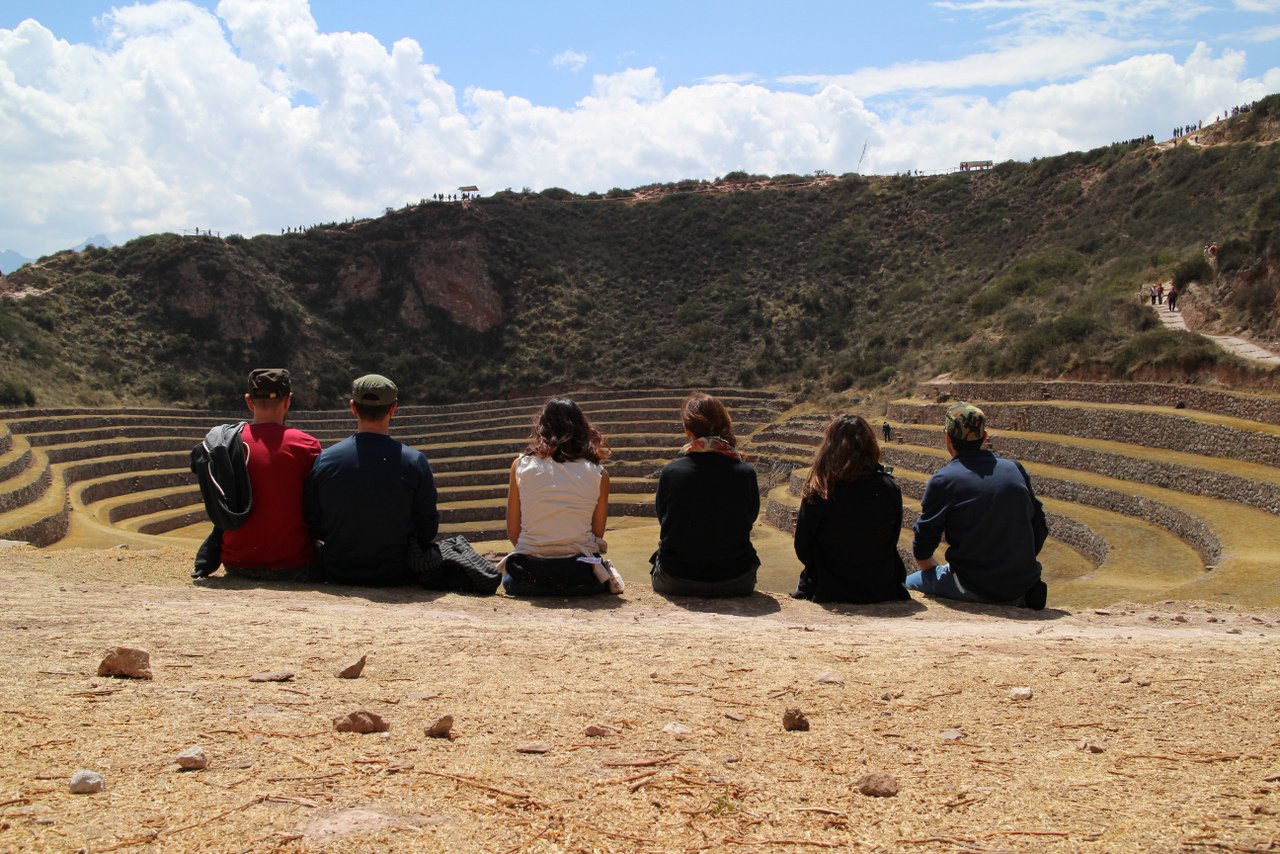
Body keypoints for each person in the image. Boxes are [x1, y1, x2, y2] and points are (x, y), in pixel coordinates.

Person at [908, 402, 1048, 610]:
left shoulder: (944, 479)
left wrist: (938, 572)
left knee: (906, 584)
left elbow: (923, 546)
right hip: (1020, 587)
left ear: (947, 438)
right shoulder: (1014, 469)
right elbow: (1039, 528)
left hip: (972, 585)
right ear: (984, 437)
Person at [305, 374, 439, 586]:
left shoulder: (326, 459)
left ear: (353, 407)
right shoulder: (415, 462)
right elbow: (427, 529)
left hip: (338, 570)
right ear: (393, 408)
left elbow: (314, 523)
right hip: (398, 572)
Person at [192, 368, 321, 580]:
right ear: (288, 401)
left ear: (249, 401)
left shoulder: (227, 444)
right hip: (294, 566)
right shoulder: (306, 445)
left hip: (236, 564)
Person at [501, 398, 620, 596]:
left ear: (542, 427)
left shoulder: (520, 466)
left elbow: (514, 532)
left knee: (510, 576)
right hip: (580, 578)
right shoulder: (599, 474)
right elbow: (597, 533)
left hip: (528, 577)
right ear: (582, 428)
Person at [650, 392, 760, 597]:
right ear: (725, 424)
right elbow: (750, 518)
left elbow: (664, 519)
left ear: (687, 429)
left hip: (676, 578)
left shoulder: (671, 472)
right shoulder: (745, 473)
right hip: (736, 579)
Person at [794, 415, 909, 603]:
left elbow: (803, 547)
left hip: (828, 587)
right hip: (880, 587)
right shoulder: (888, 488)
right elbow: (892, 537)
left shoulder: (821, 490)